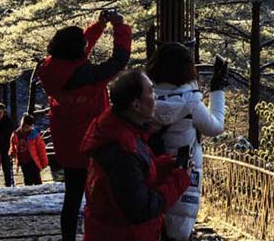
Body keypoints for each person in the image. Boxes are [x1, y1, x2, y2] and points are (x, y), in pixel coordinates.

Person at [37, 10, 132, 241]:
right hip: (94, 144)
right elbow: (119, 60)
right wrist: (120, 27)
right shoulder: (89, 75)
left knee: (71, 197)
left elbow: (77, 56)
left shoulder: (48, 68)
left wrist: (98, 26)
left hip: (66, 144)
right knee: (97, 199)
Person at [81, 69, 191, 241]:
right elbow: (141, 209)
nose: (155, 97)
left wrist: (167, 165)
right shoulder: (122, 149)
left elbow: (137, 174)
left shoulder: (121, 131)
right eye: (150, 92)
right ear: (136, 105)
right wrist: (179, 180)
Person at [147, 44, 228, 241]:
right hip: (181, 171)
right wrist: (217, 89)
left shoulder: (144, 97)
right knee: (177, 229)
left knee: (151, 219)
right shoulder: (191, 103)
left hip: (150, 168)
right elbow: (215, 127)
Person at [10, 114, 48, 185]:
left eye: (28, 127)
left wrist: (44, 162)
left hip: (33, 160)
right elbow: (13, 146)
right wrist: (12, 153)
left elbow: (41, 149)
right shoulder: (16, 134)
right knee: (27, 179)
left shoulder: (34, 135)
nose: (26, 129)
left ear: (31, 126)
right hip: (23, 162)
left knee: (36, 178)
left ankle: (38, 189)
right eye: (24, 127)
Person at [0, 103, 15, 187]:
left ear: (3, 113)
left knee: (6, 167)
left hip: (5, 147)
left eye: (0, 113)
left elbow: (10, 136)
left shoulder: (8, 122)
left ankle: (8, 185)